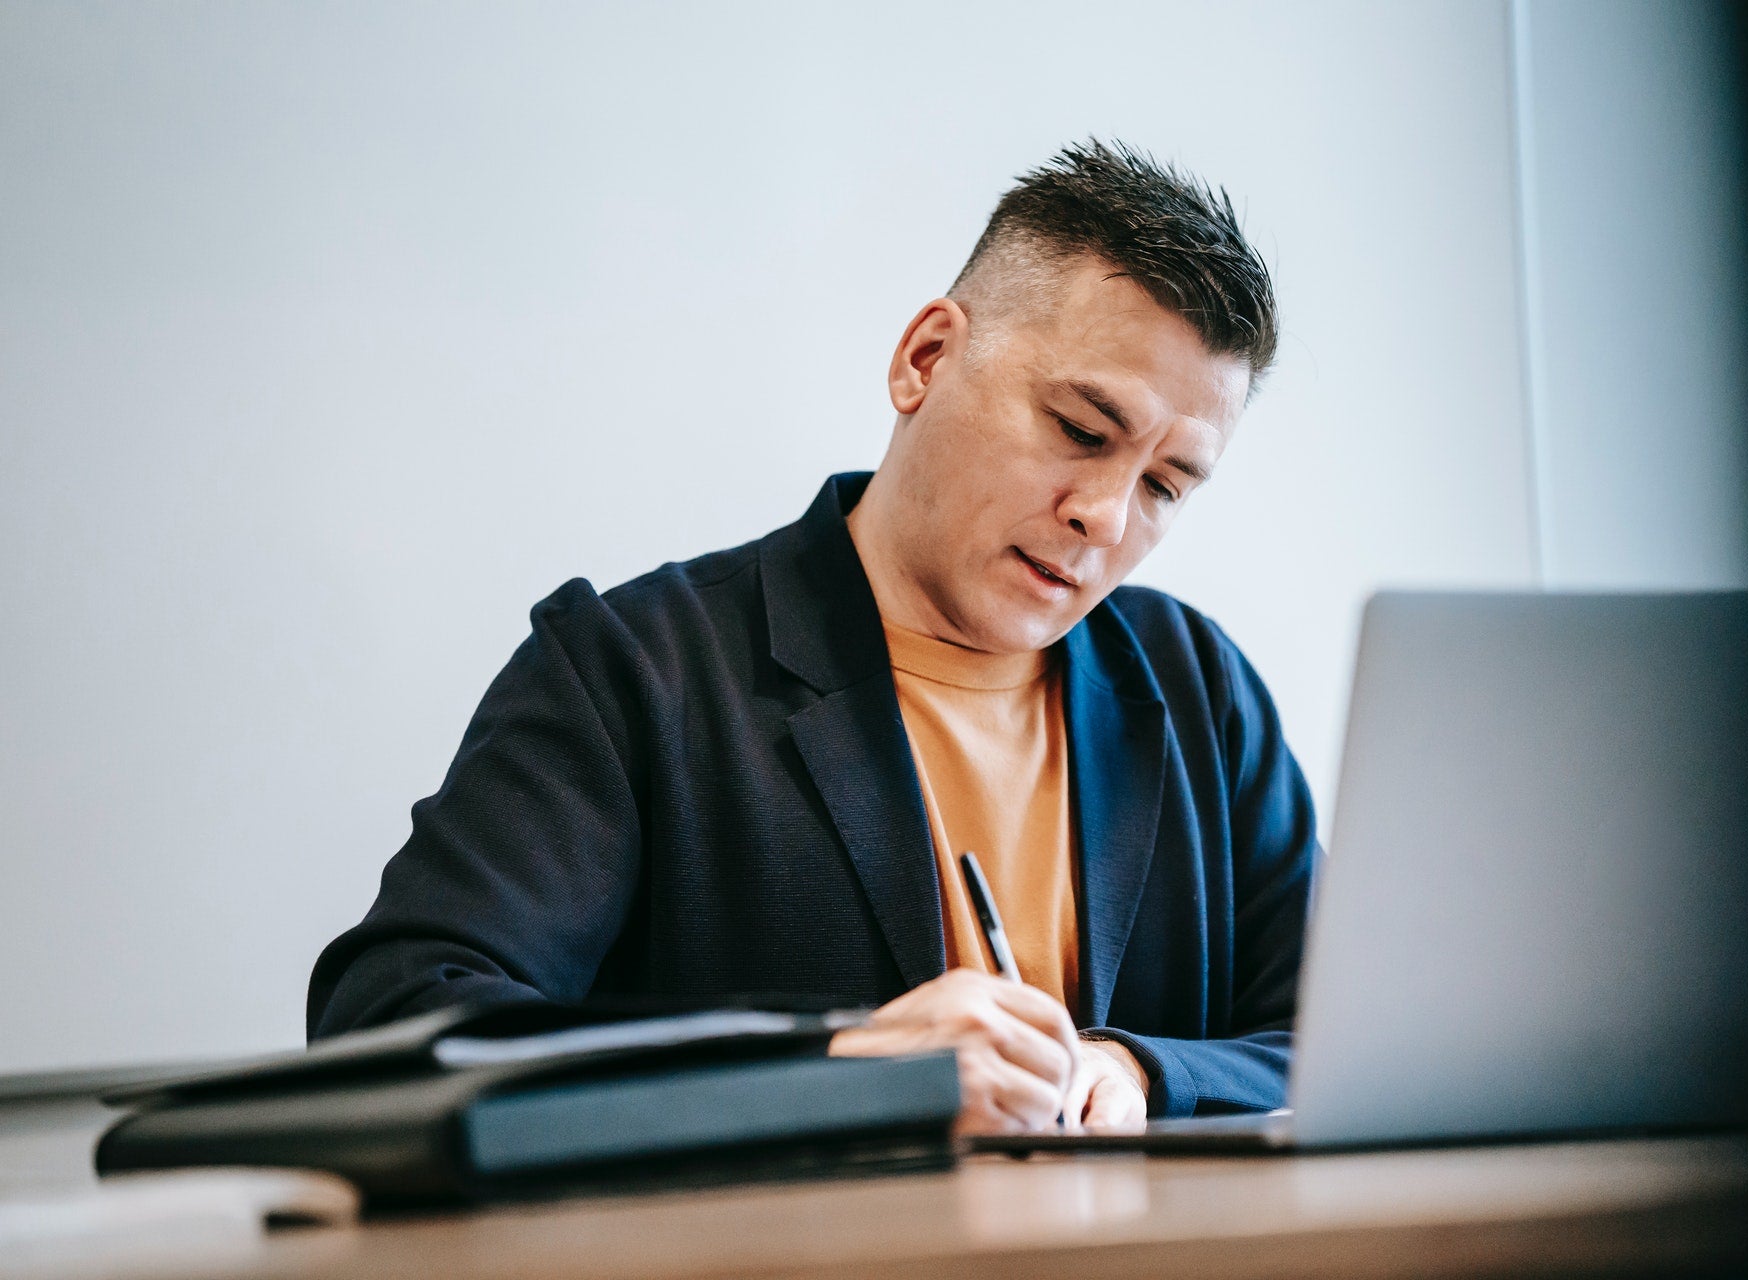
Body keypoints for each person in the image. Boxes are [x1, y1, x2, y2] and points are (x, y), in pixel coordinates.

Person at [307, 140, 1321, 1135]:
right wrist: (834, 1065)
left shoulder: (1202, 690)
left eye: (1163, 485)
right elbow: (392, 1018)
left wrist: (1144, 1067)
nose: (1105, 514)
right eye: (1081, 430)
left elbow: (1340, 1034)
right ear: (926, 358)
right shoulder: (632, 670)